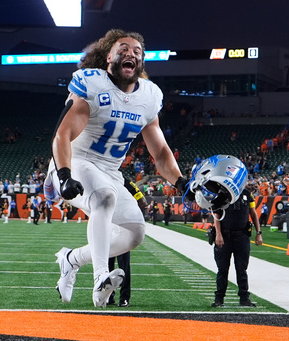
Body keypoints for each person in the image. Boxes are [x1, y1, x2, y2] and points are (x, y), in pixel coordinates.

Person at [49, 29, 187, 307]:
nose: (131, 53)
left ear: (142, 62)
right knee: (103, 198)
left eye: (137, 51)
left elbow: (160, 152)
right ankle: (101, 277)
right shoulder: (92, 85)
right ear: (108, 56)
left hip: (109, 171)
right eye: (123, 48)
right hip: (75, 160)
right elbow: (62, 135)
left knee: (134, 232)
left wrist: (182, 184)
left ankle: (71, 259)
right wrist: (64, 174)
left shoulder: (148, 96)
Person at [211, 188, 263, 307]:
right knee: (222, 269)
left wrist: (258, 233)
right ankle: (219, 299)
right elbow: (217, 215)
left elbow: (253, 213)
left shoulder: (247, 194)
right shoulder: (221, 193)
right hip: (225, 236)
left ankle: (244, 298)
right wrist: (218, 234)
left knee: (242, 269)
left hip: (242, 236)